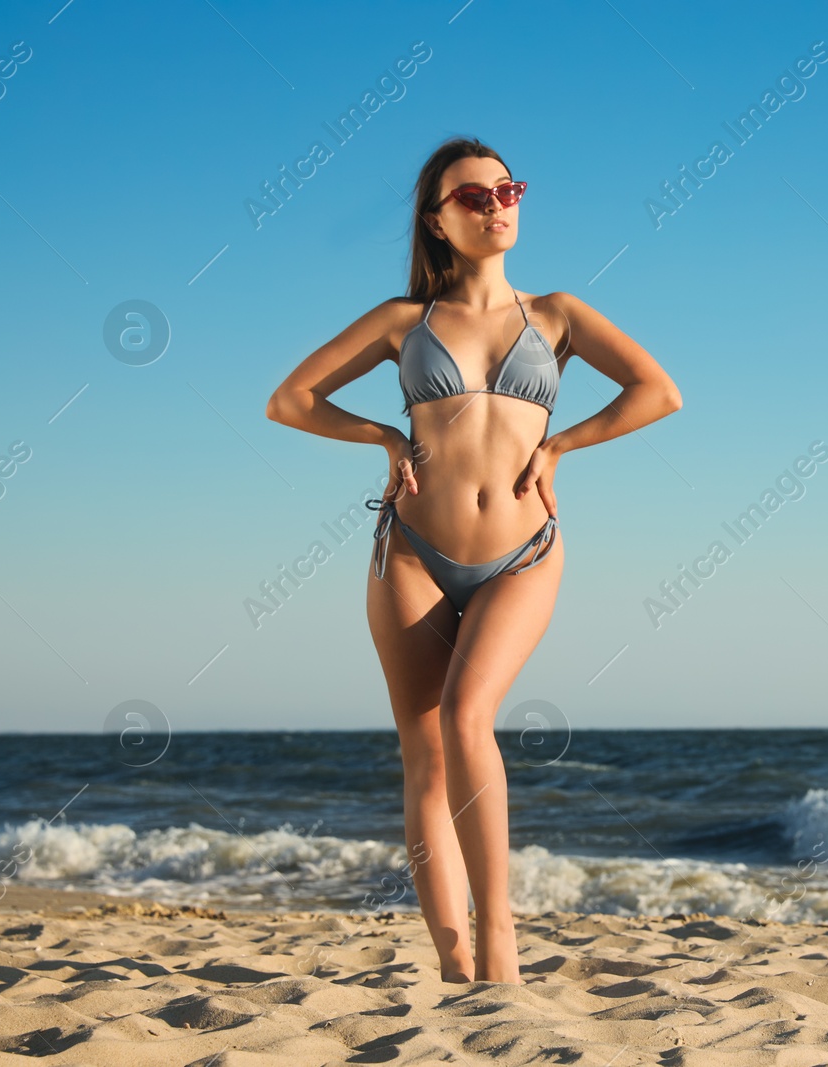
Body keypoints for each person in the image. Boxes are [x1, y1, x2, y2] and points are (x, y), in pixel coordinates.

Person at [266, 137, 682, 983]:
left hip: (523, 553)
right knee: (424, 752)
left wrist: (561, 446)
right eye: (474, 197)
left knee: (466, 718)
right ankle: (454, 959)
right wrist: (381, 434)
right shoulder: (401, 321)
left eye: (508, 189)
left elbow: (657, 390)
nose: (497, 206)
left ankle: (500, 940)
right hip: (411, 551)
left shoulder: (557, 313)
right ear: (437, 221)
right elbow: (290, 400)